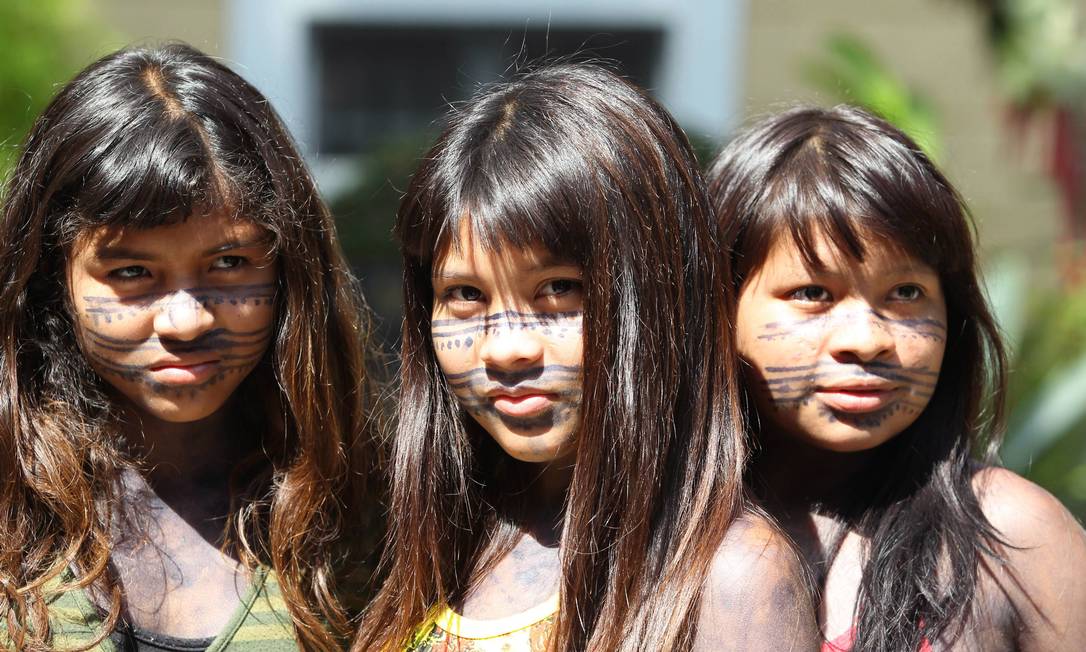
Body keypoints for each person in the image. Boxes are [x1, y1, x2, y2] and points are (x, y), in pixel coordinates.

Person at [353, 63, 818, 652]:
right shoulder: (417, 541)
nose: (507, 348)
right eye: (465, 296)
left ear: (665, 298)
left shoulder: (730, 578)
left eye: (560, 290)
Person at [0, 43, 382, 651]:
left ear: (289, 271)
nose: (184, 320)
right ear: (52, 279)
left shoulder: (372, 513)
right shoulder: (12, 504)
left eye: (230, 263)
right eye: (131, 273)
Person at [706, 105, 1086, 651]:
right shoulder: (633, 541)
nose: (866, 339)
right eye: (813, 294)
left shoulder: (1011, 537)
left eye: (906, 293)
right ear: (720, 308)